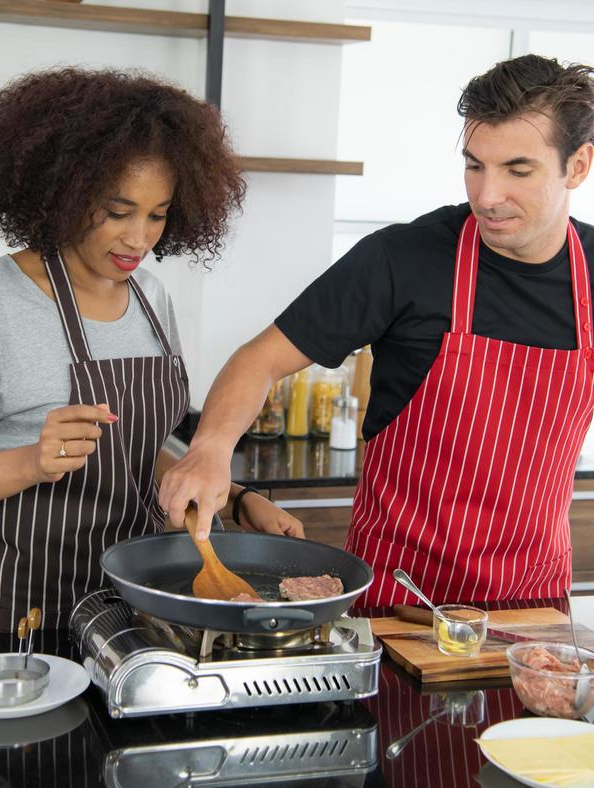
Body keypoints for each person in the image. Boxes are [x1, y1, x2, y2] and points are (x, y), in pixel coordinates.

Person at [160, 53, 594, 607]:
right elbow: (258, 360)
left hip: (531, 605)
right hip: (399, 599)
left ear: (577, 166)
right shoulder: (402, 258)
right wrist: (212, 447)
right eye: (474, 165)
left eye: (518, 170)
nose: (486, 195)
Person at [0, 67, 302, 638]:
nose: (140, 239)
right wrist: (32, 462)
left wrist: (233, 497)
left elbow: (136, 454)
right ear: (63, 192)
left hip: (135, 610)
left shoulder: (150, 298)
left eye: (157, 215)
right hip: (17, 617)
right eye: (117, 211)